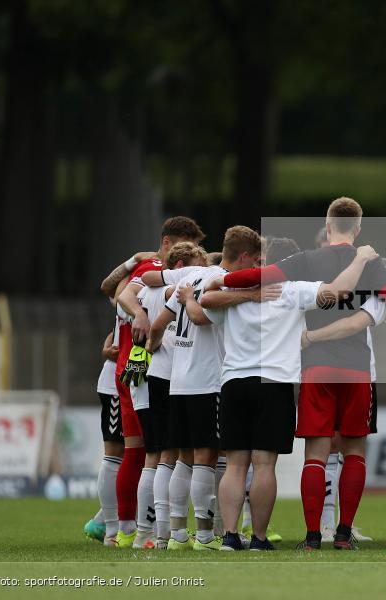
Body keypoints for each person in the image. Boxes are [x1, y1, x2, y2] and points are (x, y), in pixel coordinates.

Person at [218, 198, 386, 551]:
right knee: (354, 453)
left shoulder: (305, 259)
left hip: (316, 366)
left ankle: (310, 537)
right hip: (356, 369)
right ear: (359, 227)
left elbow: (255, 276)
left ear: (328, 222)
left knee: (316, 455)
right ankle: (342, 533)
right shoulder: (373, 264)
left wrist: (220, 279)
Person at [146, 225, 264, 551]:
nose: (255, 267)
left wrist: (153, 349)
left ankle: (174, 535)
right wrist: (250, 295)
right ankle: (203, 536)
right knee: (205, 459)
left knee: (181, 459)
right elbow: (201, 317)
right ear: (243, 256)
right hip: (208, 380)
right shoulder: (220, 282)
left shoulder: (189, 278)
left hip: (178, 380)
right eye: (254, 260)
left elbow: (158, 325)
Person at [108, 216, 205, 548]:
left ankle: (146, 533)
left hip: (142, 373)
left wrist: (139, 314)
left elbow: (118, 291)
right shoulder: (169, 283)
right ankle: (155, 532)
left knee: (155, 453)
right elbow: (118, 291)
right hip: (160, 374)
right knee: (163, 454)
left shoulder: (143, 282)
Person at [83, 327, 123, 545]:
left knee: (139, 458)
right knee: (116, 454)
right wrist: (109, 345)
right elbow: (112, 293)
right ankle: (111, 529)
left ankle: (103, 521)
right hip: (118, 384)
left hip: (146, 382)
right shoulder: (134, 293)